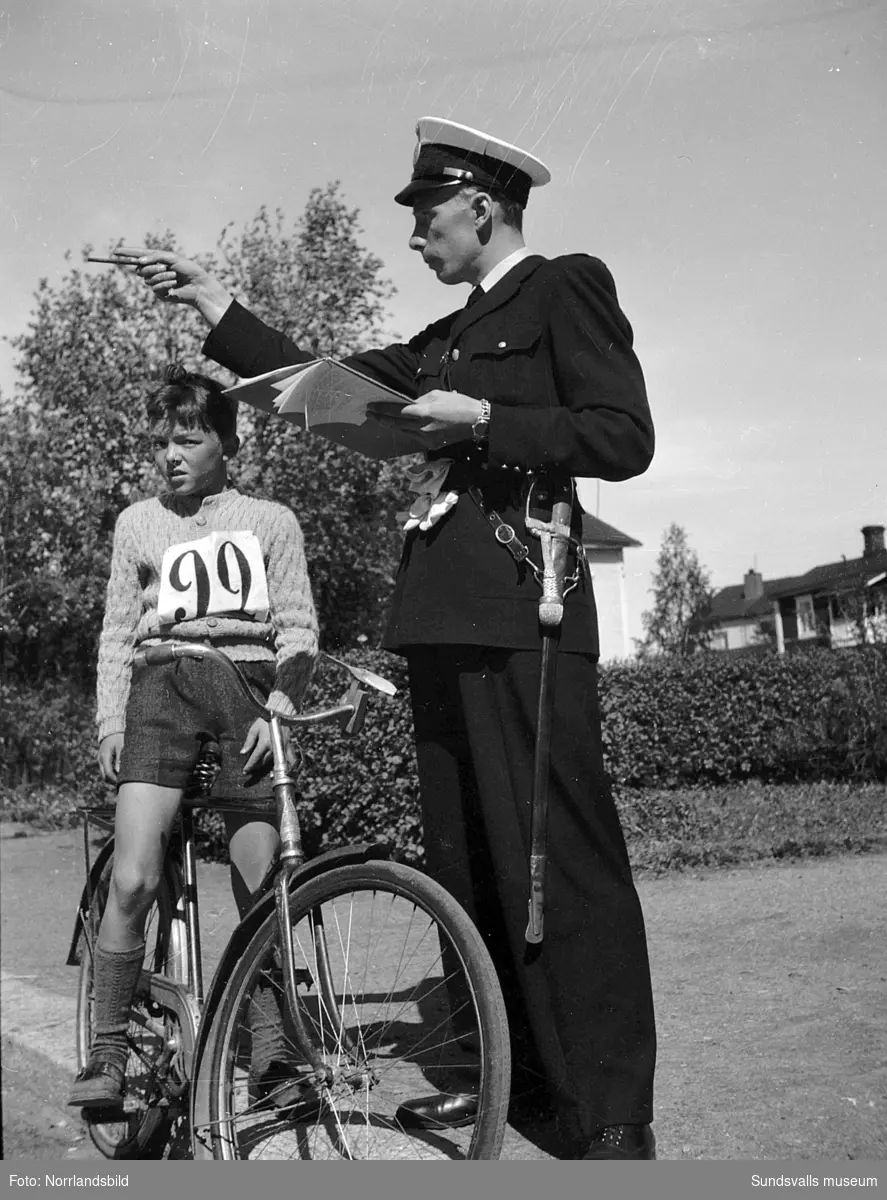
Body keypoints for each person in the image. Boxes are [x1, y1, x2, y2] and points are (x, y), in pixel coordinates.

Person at [123, 116, 658, 1159]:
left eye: (425, 213)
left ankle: (613, 1116)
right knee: (469, 868)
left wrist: (481, 424)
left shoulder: (564, 287)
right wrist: (214, 304)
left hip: (524, 622)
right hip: (440, 626)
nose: (413, 233)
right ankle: (516, 1085)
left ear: (481, 204)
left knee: (561, 864)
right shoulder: (440, 340)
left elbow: (623, 433)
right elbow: (321, 382)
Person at [68, 366, 318, 1110]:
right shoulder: (136, 523)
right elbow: (118, 632)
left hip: (243, 687)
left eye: (189, 438)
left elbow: (297, 628)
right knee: (135, 877)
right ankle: (107, 1051)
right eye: (162, 442)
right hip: (161, 686)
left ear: (227, 442)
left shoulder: (270, 520)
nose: (171, 455)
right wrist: (112, 718)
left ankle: (272, 1052)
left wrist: (279, 708)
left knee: (259, 881)